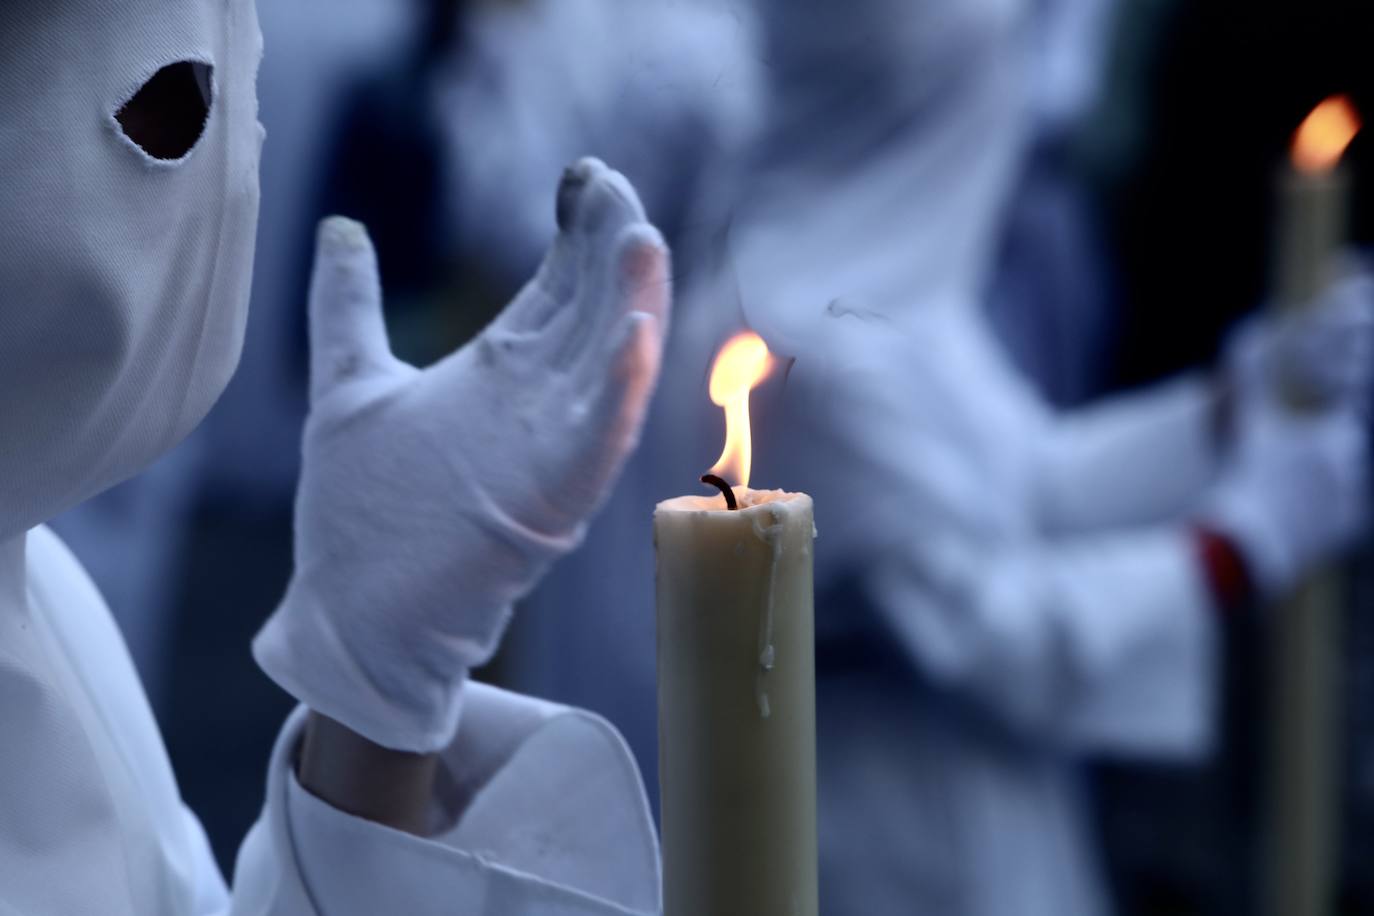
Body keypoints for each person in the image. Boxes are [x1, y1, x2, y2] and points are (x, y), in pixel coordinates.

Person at [517, 0, 1374, 913]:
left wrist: (1231, 406)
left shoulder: (888, 302)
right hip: (903, 848)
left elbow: (1027, 482)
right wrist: (1235, 543)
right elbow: (1002, 637)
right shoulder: (810, 347)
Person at [0, 2, 670, 913]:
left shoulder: (43, 604)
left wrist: (373, 701)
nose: (215, 194)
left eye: (226, 101)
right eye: (159, 107)